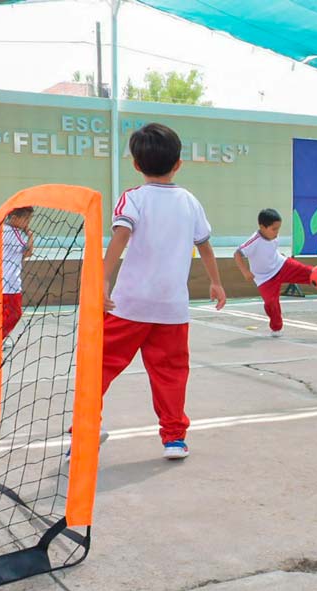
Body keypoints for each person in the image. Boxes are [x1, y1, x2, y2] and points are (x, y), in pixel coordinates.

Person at [101, 123, 226, 460]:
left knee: (97, 365)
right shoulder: (190, 201)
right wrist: (216, 282)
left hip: (128, 306)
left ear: (136, 164)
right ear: (179, 164)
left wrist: (103, 278)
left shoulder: (133, 198)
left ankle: (86, 427)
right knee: (171, 375)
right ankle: (174, 439)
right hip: (172, 308)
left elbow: (120, 237)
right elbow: (206, 247)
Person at [234, 208, 317, 337]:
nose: (277, 232)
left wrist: (281, 256)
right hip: (264, 278)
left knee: (309, 272)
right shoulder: (254, 240)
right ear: (262, 227)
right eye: (274, 229)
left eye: (278, 229)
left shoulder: (273, 236)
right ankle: (276, 328)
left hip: (281, 265)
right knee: (270, 303)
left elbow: (269, 251)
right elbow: (237, 254)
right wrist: (245, 272)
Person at [0, 206, 33, 345]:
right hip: (9, 283)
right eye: (26, 219)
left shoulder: (2, 229)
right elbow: (28, 252)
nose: (28, 222)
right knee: (15, 314)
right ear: (15, 219)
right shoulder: (13, 232)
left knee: (1, 315)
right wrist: (30, 236)